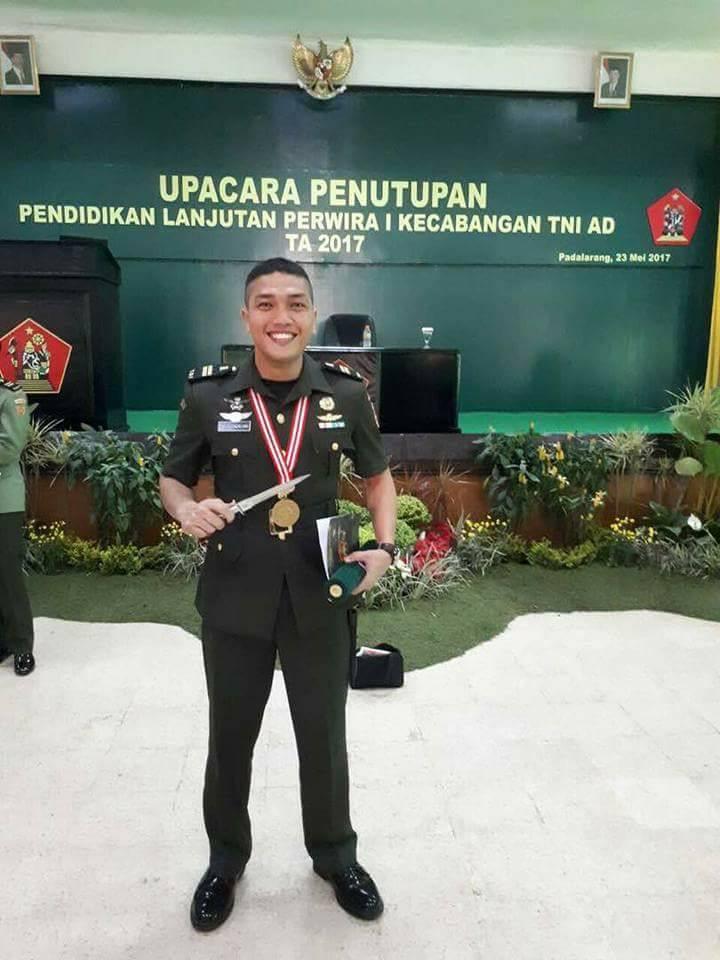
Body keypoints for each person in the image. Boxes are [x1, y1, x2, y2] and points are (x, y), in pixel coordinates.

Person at [160, 257, 397, 931]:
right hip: (235, 592)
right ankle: (224, 862)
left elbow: (378, 478)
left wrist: (384, 547)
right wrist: (185, 509)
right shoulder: (209, 397)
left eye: (295, 303)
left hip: (319, 590)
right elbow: (173, 478)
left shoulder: (346, 393)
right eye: (265, 304)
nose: (281, 317)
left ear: (312, 315)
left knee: (324, 737)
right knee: (230, 738)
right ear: (246, 317)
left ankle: (335, 857)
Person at [0, 375, 35, 676]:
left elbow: (10, 447)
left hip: (4, 501)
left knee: (8, 574)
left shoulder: (11, 396)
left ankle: (22, 646)